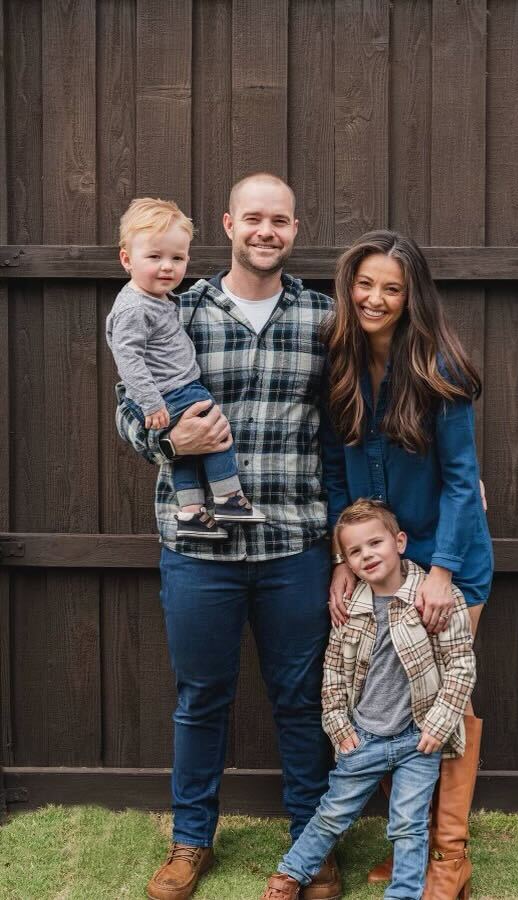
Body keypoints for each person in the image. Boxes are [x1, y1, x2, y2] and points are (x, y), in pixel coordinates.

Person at [115, 174, 341, 900]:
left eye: (279, 220)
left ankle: (312, 844)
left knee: (301, 700)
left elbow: (349, 427)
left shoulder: (323, 318)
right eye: (253, 218)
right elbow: (127, 407)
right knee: (201, 698)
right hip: (197, 550)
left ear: (294, 229)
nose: (265, 231)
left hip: (295, 545)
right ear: (228, 224)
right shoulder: (175, 308)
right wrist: (168, 441)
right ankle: (190, 841)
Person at [320, 232, 493, 899]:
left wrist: (442, 574)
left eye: (391, 288)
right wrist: (343, 556)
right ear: (349, 286)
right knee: (389, 694)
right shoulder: (340, 363)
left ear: (411, 296)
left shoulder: (438, 368)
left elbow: (462, 481)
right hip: (378, 560)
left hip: (449, 558)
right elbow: (337, 469)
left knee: (445, 691)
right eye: (365, 284)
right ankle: (410, 843)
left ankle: (449, 856)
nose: (375, 298)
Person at [261, 499, 476, 900]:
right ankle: (290, 874)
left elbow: (461, 665)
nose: (367, 555)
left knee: (409, 823)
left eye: (375, 543)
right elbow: (333, 673)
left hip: (418, 739)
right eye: (355, 551)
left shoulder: (435, 598)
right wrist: (339, 727)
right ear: (346, 561)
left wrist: (438, 725)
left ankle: (403, 893)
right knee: (332, 813)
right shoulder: (350, 610)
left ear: (399, 542)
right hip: (363, 738)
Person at [107, 197, 265, 540]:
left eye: (177, 258)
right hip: (173, 391)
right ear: (126, 259)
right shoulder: (135, 307)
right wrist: (152, 403)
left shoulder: (157, 298)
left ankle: (191, 513)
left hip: (171, 391)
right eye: (154, 257)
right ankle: (228, 499)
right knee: (216, 433)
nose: (167, 267)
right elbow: (128, 359)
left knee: (188, 453)